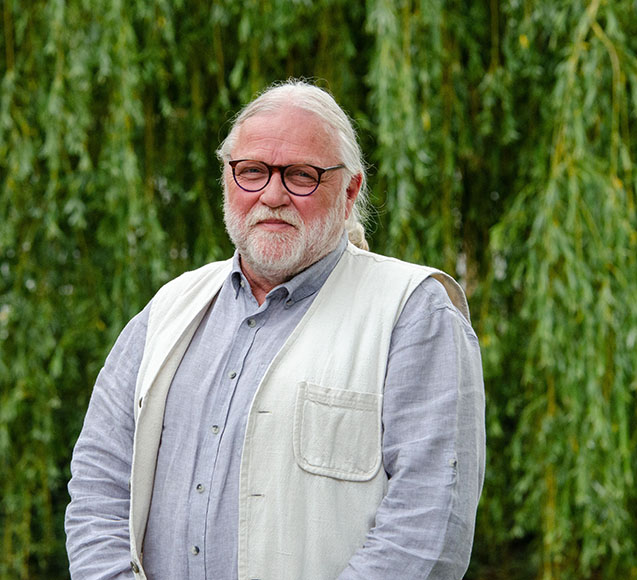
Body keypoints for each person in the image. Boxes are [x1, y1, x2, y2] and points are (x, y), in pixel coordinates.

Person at [65, 80, 485, 580]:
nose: (272, 194)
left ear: (349, 191)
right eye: (252, 171)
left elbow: (426, 528)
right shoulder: (169, 311)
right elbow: (99, 485)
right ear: (227, 178)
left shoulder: (413, 314)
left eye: (301, 175)